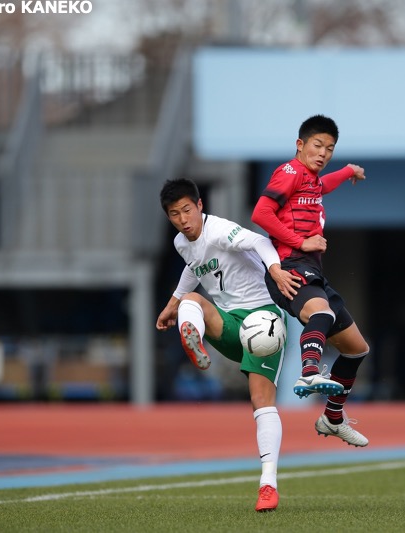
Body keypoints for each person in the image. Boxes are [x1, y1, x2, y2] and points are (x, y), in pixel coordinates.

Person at [155, 178, 300, 512]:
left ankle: (268, 485)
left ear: (200, 205)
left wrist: (276, 270)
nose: (183, 219)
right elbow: (194, 268)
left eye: (187, 210)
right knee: (192, 297)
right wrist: (172, 304)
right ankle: (194, 338)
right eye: (175, 214)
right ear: (169, 217)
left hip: (264, 320)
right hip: (232, 324)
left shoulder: (220, 230)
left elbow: (261, 243)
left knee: (260, 402)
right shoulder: (182, 243)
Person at [250, 114, 370, 448]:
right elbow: (260, 213)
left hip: (312, 269)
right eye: (317, 146)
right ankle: (310, 370)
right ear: (300, 145)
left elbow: (322, 186)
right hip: (291, 265)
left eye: (329, 149)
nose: (323, 153)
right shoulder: (289, 171)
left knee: (357, 350)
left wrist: (347, 172)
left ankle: (332, 418)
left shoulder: (311, 179)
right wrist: (300, 241)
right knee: (322, 314)